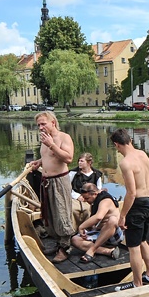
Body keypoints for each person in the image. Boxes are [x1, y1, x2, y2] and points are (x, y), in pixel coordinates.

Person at [111, 128, 149, 289]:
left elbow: (131, 193)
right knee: (143, 240)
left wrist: (122, 216)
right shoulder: (143, 154)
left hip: (137, 207)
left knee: (133, 247)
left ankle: (137, 283)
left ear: (117, 145)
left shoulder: (125, 163)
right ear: (130, 140)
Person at [29, 111, 75, 263]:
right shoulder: (44, 139)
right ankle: (57, 244)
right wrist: (39, 162)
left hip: (59, 181)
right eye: (38, 125)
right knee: (49, 216)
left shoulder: (63, 137)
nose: (40, 127)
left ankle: (65, 248)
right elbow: (48, 157)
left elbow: (68, 158)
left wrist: (52, 145)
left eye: (43, 124)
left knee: (62, 214)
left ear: (53, 123)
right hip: (46, 181)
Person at [70, 183, 123, 261]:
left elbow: (99, 217)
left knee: (113, 220)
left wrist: (81, 227)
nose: (85, 201)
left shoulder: (105, 200)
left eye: (87, 198)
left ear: (94, 194)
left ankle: (92, 250)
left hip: (113, 235)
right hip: (100, 232)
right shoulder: (95, 200)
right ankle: (108, 251)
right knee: (75, 240)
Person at [68, 152, 104, 230]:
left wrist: (91, 198)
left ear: (89, 162)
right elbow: (67, 188)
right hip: (75, 197)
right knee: (74, 209)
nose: (79, 163)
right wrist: (77, 196)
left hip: (90, 199)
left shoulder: (96, 174)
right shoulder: (73, 173)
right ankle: (73, 230)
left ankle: (87, 229)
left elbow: (98, 189)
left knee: (88, 210)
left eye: (82, 161)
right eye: (79, 161)